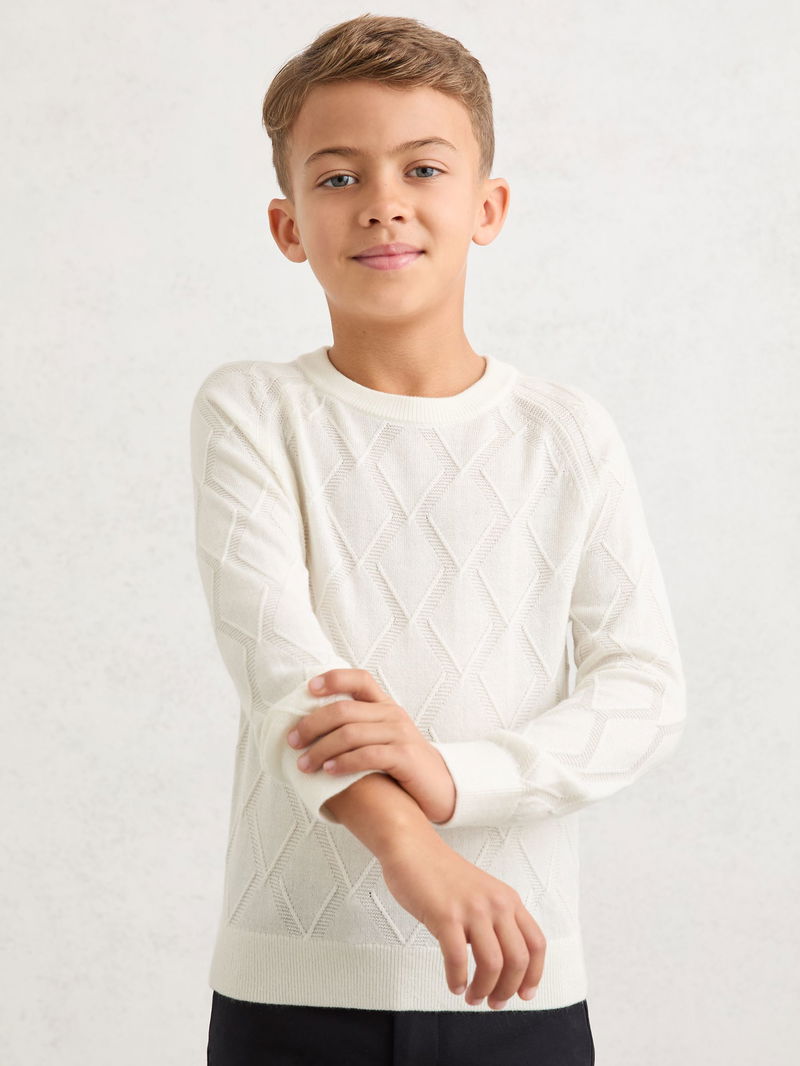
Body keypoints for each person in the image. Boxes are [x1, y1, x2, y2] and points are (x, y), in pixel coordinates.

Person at [190, 13, 686, 1066]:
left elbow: (643, 690)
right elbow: (282, 670)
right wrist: (411, 849)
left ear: (486, 206)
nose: (383, 202)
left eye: (423, 168)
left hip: (517, 977)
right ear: (287, 225)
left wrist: (454, 777)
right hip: (292, 982)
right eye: (337, 177)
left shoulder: (566, 432)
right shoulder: (252, 410)